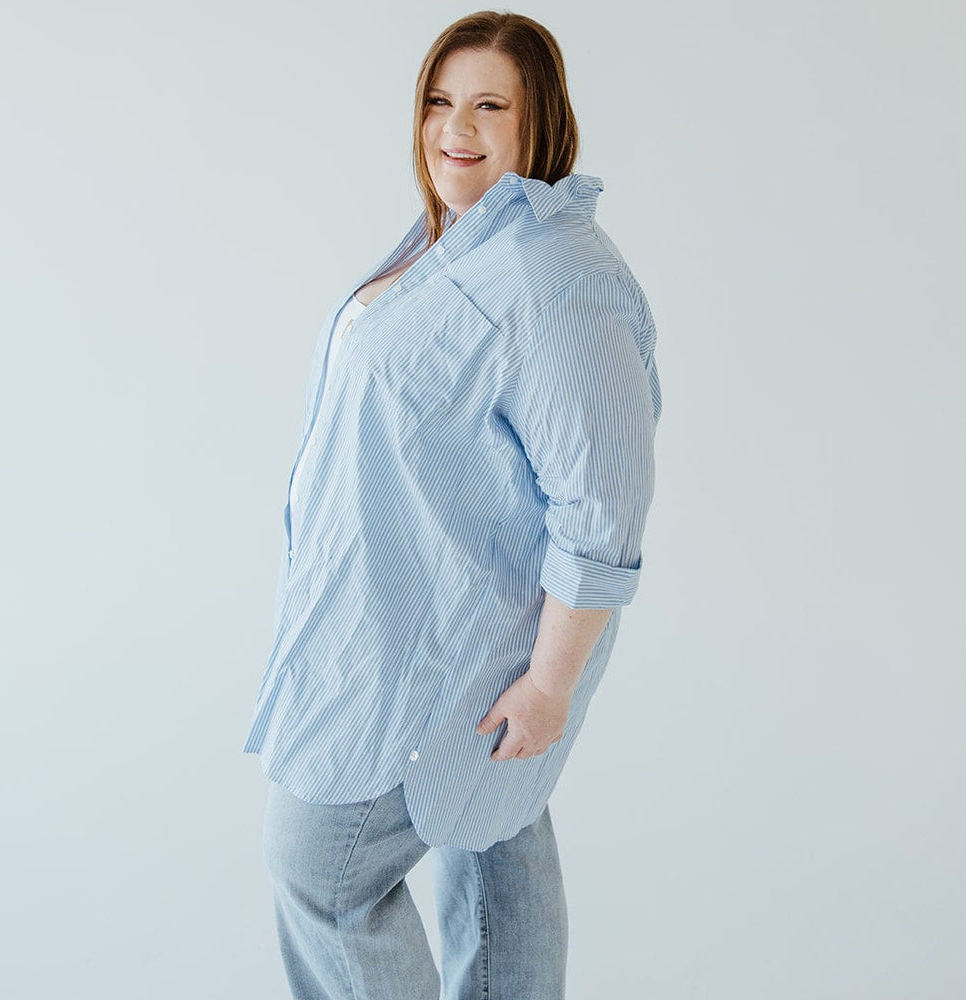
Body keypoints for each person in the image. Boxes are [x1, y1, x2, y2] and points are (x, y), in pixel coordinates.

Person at [242, 10, 662, 999]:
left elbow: (600, 510)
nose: (452, 128)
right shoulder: (465, 237)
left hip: (450, 650)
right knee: (495, 842)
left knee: (319, 869)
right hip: (392, 619)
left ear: (538, 122)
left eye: (487, 105)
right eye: (438, 100)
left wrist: (548, 684)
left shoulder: (554, 275)